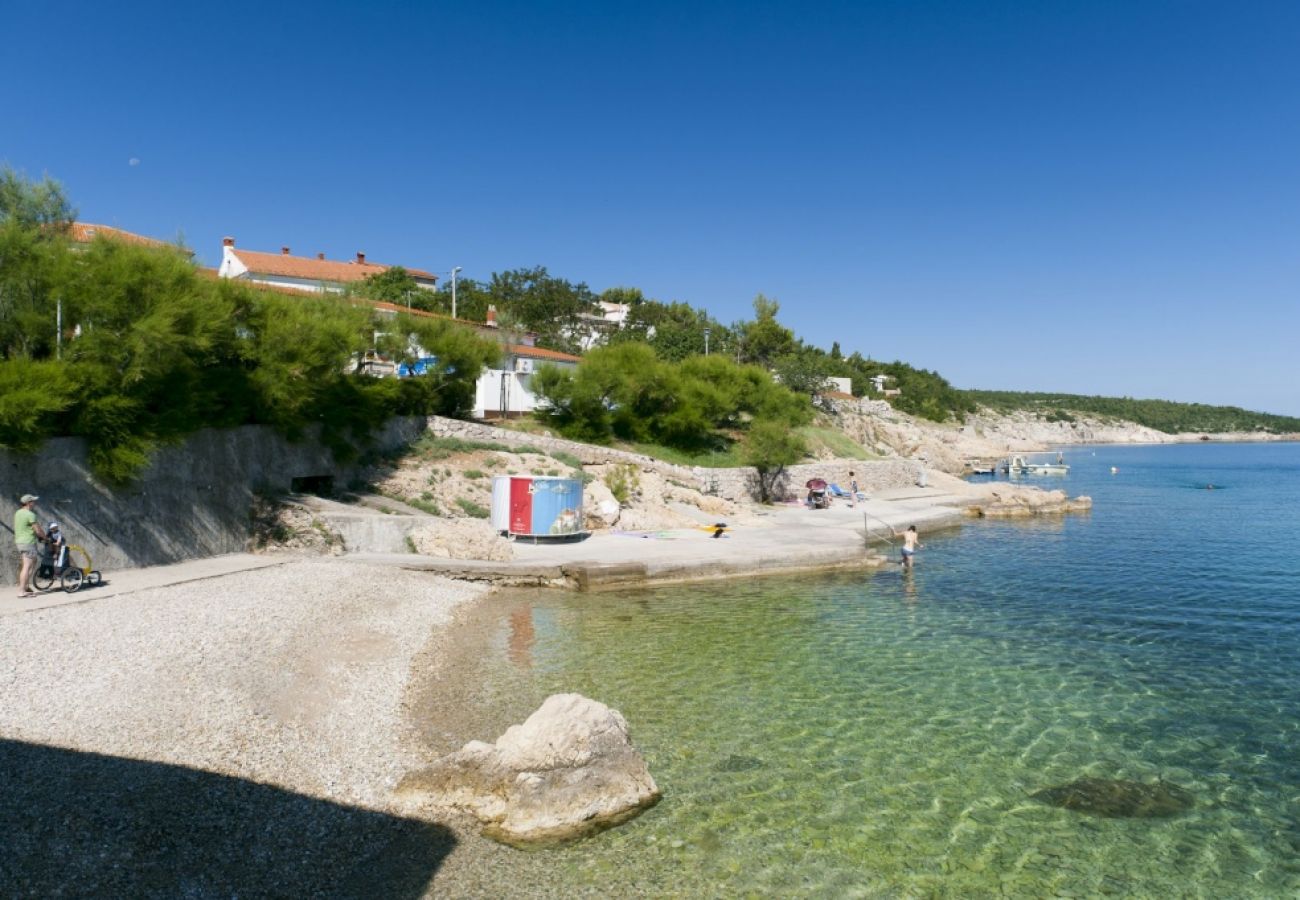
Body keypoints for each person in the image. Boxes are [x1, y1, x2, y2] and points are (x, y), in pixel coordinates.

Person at [13, 493, 47, 598]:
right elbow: (37, 529)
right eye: (33, 501)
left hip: (20, 542)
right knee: (27, 566)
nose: (34, 503)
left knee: (31, 563)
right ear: (28, 503)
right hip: (28, 542)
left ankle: (25, 587)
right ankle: (22, 591)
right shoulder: (30, 514)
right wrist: (45, 537)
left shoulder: (18, 513)